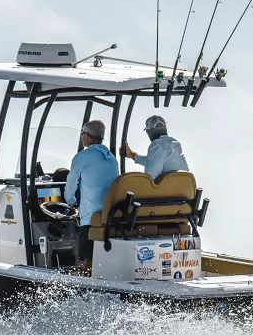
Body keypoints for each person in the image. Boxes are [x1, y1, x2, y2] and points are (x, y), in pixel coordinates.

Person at [65, 119, 119, 268]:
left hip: (91, 218)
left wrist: (69, 201)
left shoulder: (82, 157)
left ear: (87, 136)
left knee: (86, 261)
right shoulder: (111, 158)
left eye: (83, 134)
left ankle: (85, 274)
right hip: (111, 214)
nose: (82, 137)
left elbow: (71, 183)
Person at [124, 115, 189, 180]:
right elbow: (154, 161)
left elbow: (150, 177)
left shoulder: (157, 144)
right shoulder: (175, 143)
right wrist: (132, 155)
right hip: (186, 186)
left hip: (169, 188)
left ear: (148, 132)